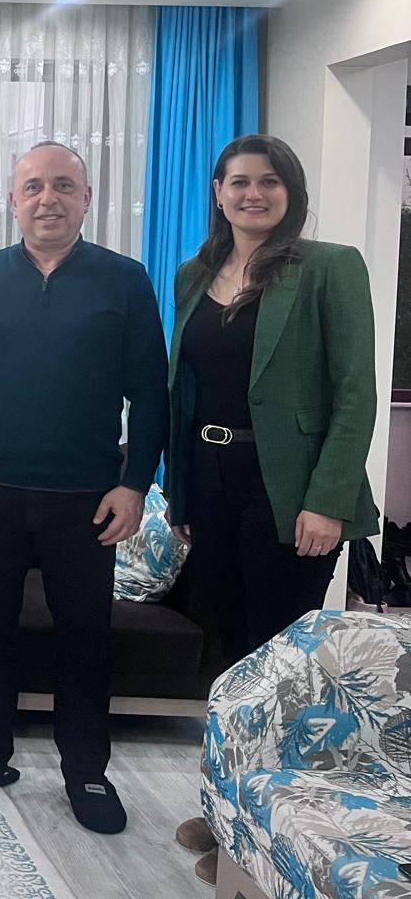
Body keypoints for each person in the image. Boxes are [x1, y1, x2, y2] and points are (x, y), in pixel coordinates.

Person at [163, 135, 379, 887]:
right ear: (218, 192)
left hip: (288, 489)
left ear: (291, 192)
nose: (253, 194)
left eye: (269, 182)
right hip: (209, 479)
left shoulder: (328, 267)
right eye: (238, 182)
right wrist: (181, 492)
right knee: (228, 656)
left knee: (281, 663)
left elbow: (355, 392)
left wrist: (327, 500)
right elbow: (185, 391)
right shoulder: (195, 273)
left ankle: (267, 827)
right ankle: (224, 806)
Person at [0, 141, 167, 835]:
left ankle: (86, 769)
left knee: (85, 638)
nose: (48, 199)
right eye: (33, 186)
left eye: (64, 185)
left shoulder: (124, 280)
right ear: (12, 201)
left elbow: (150, 393)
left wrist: (135, 484)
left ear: (87, 199)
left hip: (86, 499)